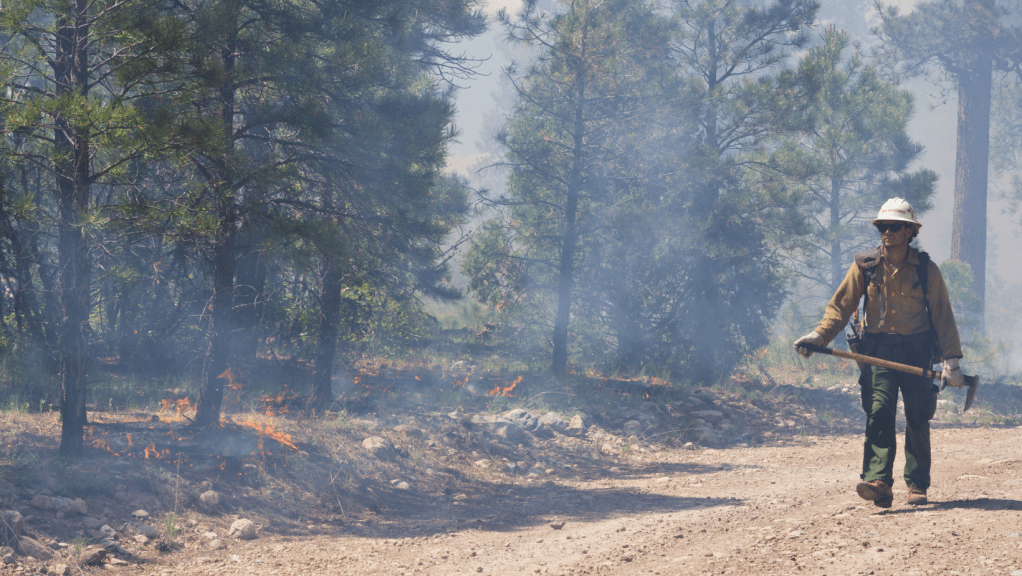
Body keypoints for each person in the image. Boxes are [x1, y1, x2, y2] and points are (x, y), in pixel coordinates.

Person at [793, 198, 964, 508]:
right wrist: (819, 336)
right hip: (878, 350)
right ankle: (878, 482)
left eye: (894, 226)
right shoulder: (865, 266)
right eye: (883, 226)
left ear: (910, 231)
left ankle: (917, 484)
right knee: (879, 410)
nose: (887, 232)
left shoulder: (927, 270)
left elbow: (942, 315)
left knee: (917, 414)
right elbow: (841, 305)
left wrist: (951, 362)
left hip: (917, 349)